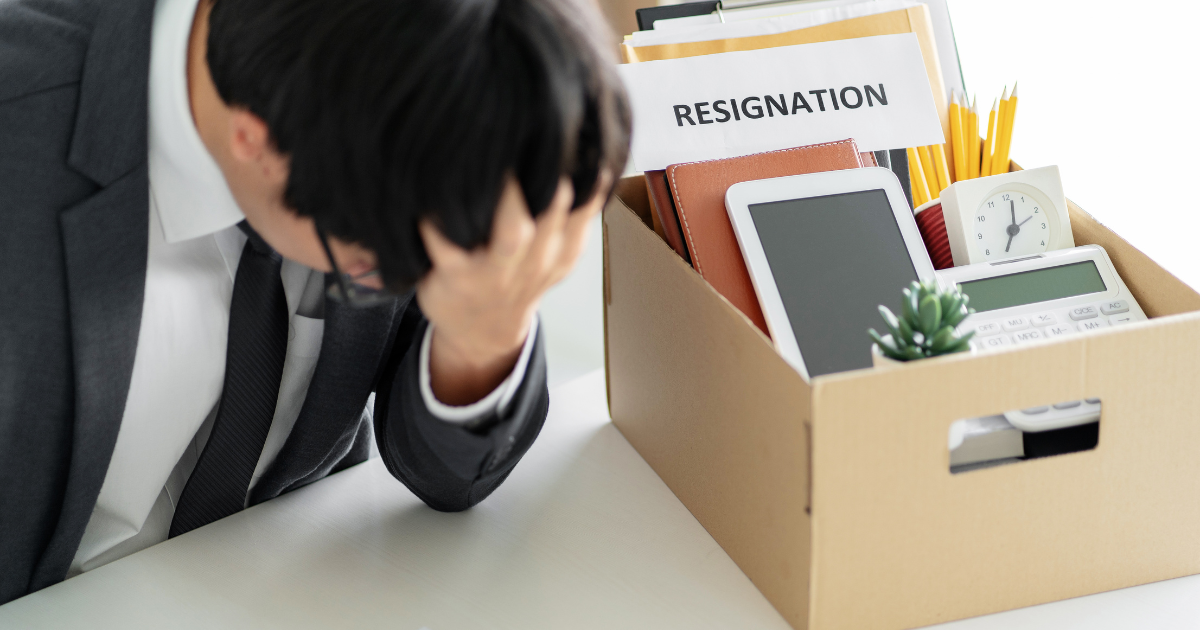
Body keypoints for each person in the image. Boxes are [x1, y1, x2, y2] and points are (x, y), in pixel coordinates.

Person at [0, 0, 630, 604]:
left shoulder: (422, 110)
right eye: (394, 261)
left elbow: (448, 475)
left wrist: (486, 329)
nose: (432, 272)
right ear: (255, 142)